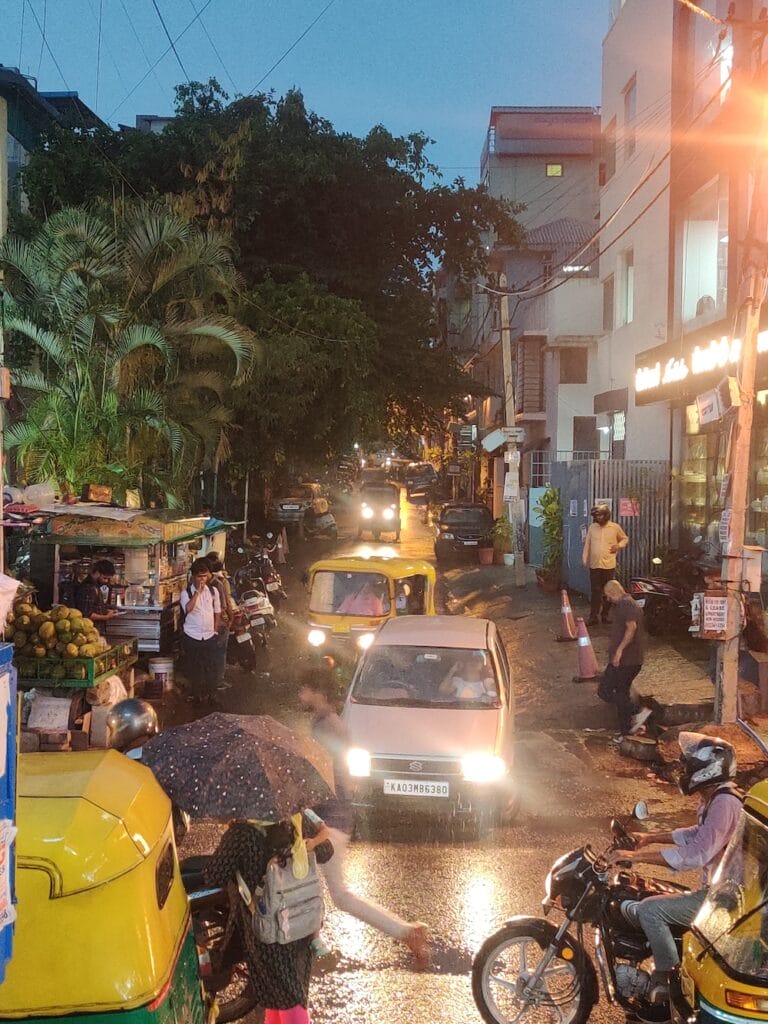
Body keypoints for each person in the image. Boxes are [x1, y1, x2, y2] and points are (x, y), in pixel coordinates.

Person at [297, 667, 431, 968]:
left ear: (317, 692)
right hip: (332, 815)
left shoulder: (327, 727)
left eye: (304, 689)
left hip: (330, 819)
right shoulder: (326, 722)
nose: (299, 695)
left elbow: (324, 773)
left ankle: (406, 932)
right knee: (308, 880)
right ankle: (311, 940)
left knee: (337, 893)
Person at [610, 732, 741, 1004]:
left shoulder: (725, 803)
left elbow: (696, 853)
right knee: (650, 896)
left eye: (689, 767)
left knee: (650, 909)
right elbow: (698, 833)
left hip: (724, 900)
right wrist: (650, 838)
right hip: (720, 891)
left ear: (709, 770)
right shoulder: (716, 798)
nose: (684, 771)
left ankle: (667, 983)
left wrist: (638, 857)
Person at [204, 814, 332, 1024]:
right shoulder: (294, 819)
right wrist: (303, 848)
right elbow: (327, 850)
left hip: (266, 933)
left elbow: (214, 876)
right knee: (280, 996)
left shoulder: (241, 833)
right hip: (301, 922)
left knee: (288, 999)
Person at [599, 580, 648, 743]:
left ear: (613, 592)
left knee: (605, 690)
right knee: (621, 693)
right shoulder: (628, 604)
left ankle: (637, 711)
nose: (608, 600)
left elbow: (631, 628)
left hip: (627, 660)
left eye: (608, 596)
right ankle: (627, 731)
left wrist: (619, 651)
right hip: (630, 659)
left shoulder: (625, 605)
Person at [180, 558, 221, 704]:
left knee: (211, 666)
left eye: (204, 576)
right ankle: (197, 695)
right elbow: (188, 609)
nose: (202, 579)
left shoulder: (213, 591)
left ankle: (212, 694)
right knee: (194, 667)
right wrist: (197, 592)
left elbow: (217, 611)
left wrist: (215, 630)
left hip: (209, 635)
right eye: (199, 576)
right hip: (192, 635)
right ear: (193, 577)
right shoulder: (186, 593)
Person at [582, 504, 629, 625]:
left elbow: (624, 538)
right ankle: (593, 616)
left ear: (606, 515)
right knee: (595, 591)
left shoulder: (614, 527)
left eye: (601, 515)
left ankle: (605, 615)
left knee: (609, 591)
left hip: (609, 565)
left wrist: (618, 546)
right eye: (597, 516)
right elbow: (588, 544)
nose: (599, 518)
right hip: (595, 565)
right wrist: (584, 559)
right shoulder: (592, 527)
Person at [204, 551, 235, 691]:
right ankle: (217, 681)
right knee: (219, 653)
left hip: (204, 624)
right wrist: (230, 618)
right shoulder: (220, 583)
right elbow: (225, 604)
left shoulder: (200, 582)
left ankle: (208, 680)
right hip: (218, 624)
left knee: (208, 653)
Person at [73, 559, 119, 630]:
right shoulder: (88, 588)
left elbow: (95, 607)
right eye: (104, 578)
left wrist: (107, 611)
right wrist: (105, 617)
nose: (106, 581)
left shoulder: (96, 586)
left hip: (96, 630)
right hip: (89, 630)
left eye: (108, 579)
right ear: (97, 573)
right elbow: (86, 614)